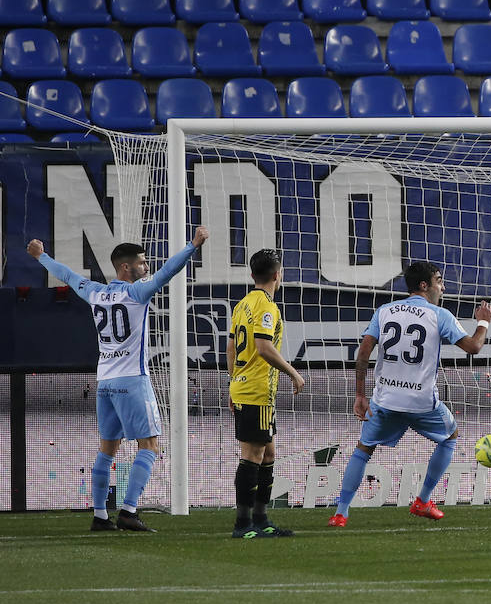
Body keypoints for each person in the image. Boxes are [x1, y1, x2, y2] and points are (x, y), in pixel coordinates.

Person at [28, 227, 209, 532]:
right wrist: (193, 245)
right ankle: (128, 511)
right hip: (132, 380)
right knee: (149, 445)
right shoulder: (136, 292)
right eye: (141, 262)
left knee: (107, 449)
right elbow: (167, 272)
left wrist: (40, 255)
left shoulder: (95, 291)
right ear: (126, 267)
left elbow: (68, 275)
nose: (147, 266)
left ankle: (100, 515)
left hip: (106, 383)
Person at [329, 262, 491, 526]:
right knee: (450, 436)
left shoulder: (384, 311)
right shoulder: (439, 315)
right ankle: (423, 501)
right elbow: (474, 347)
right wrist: (483, 321)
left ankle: (340, 513)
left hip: (386, 400)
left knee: (364, 448)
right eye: (439, 280)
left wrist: (359, 394)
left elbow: (364, 351)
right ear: (424, 285)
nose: (443, 286)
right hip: (421, 402)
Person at [227, 249, 306, 538]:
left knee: (268, 453)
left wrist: (232, 382)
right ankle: (242, 525)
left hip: (246, 387)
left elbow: (232, 347)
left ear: (252, 275)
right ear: (277, 275)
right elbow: (263, 346)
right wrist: (293, 373)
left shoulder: (242, 304)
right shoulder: (267, 307)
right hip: (256, 390)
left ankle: (261, 519)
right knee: (252, 455)